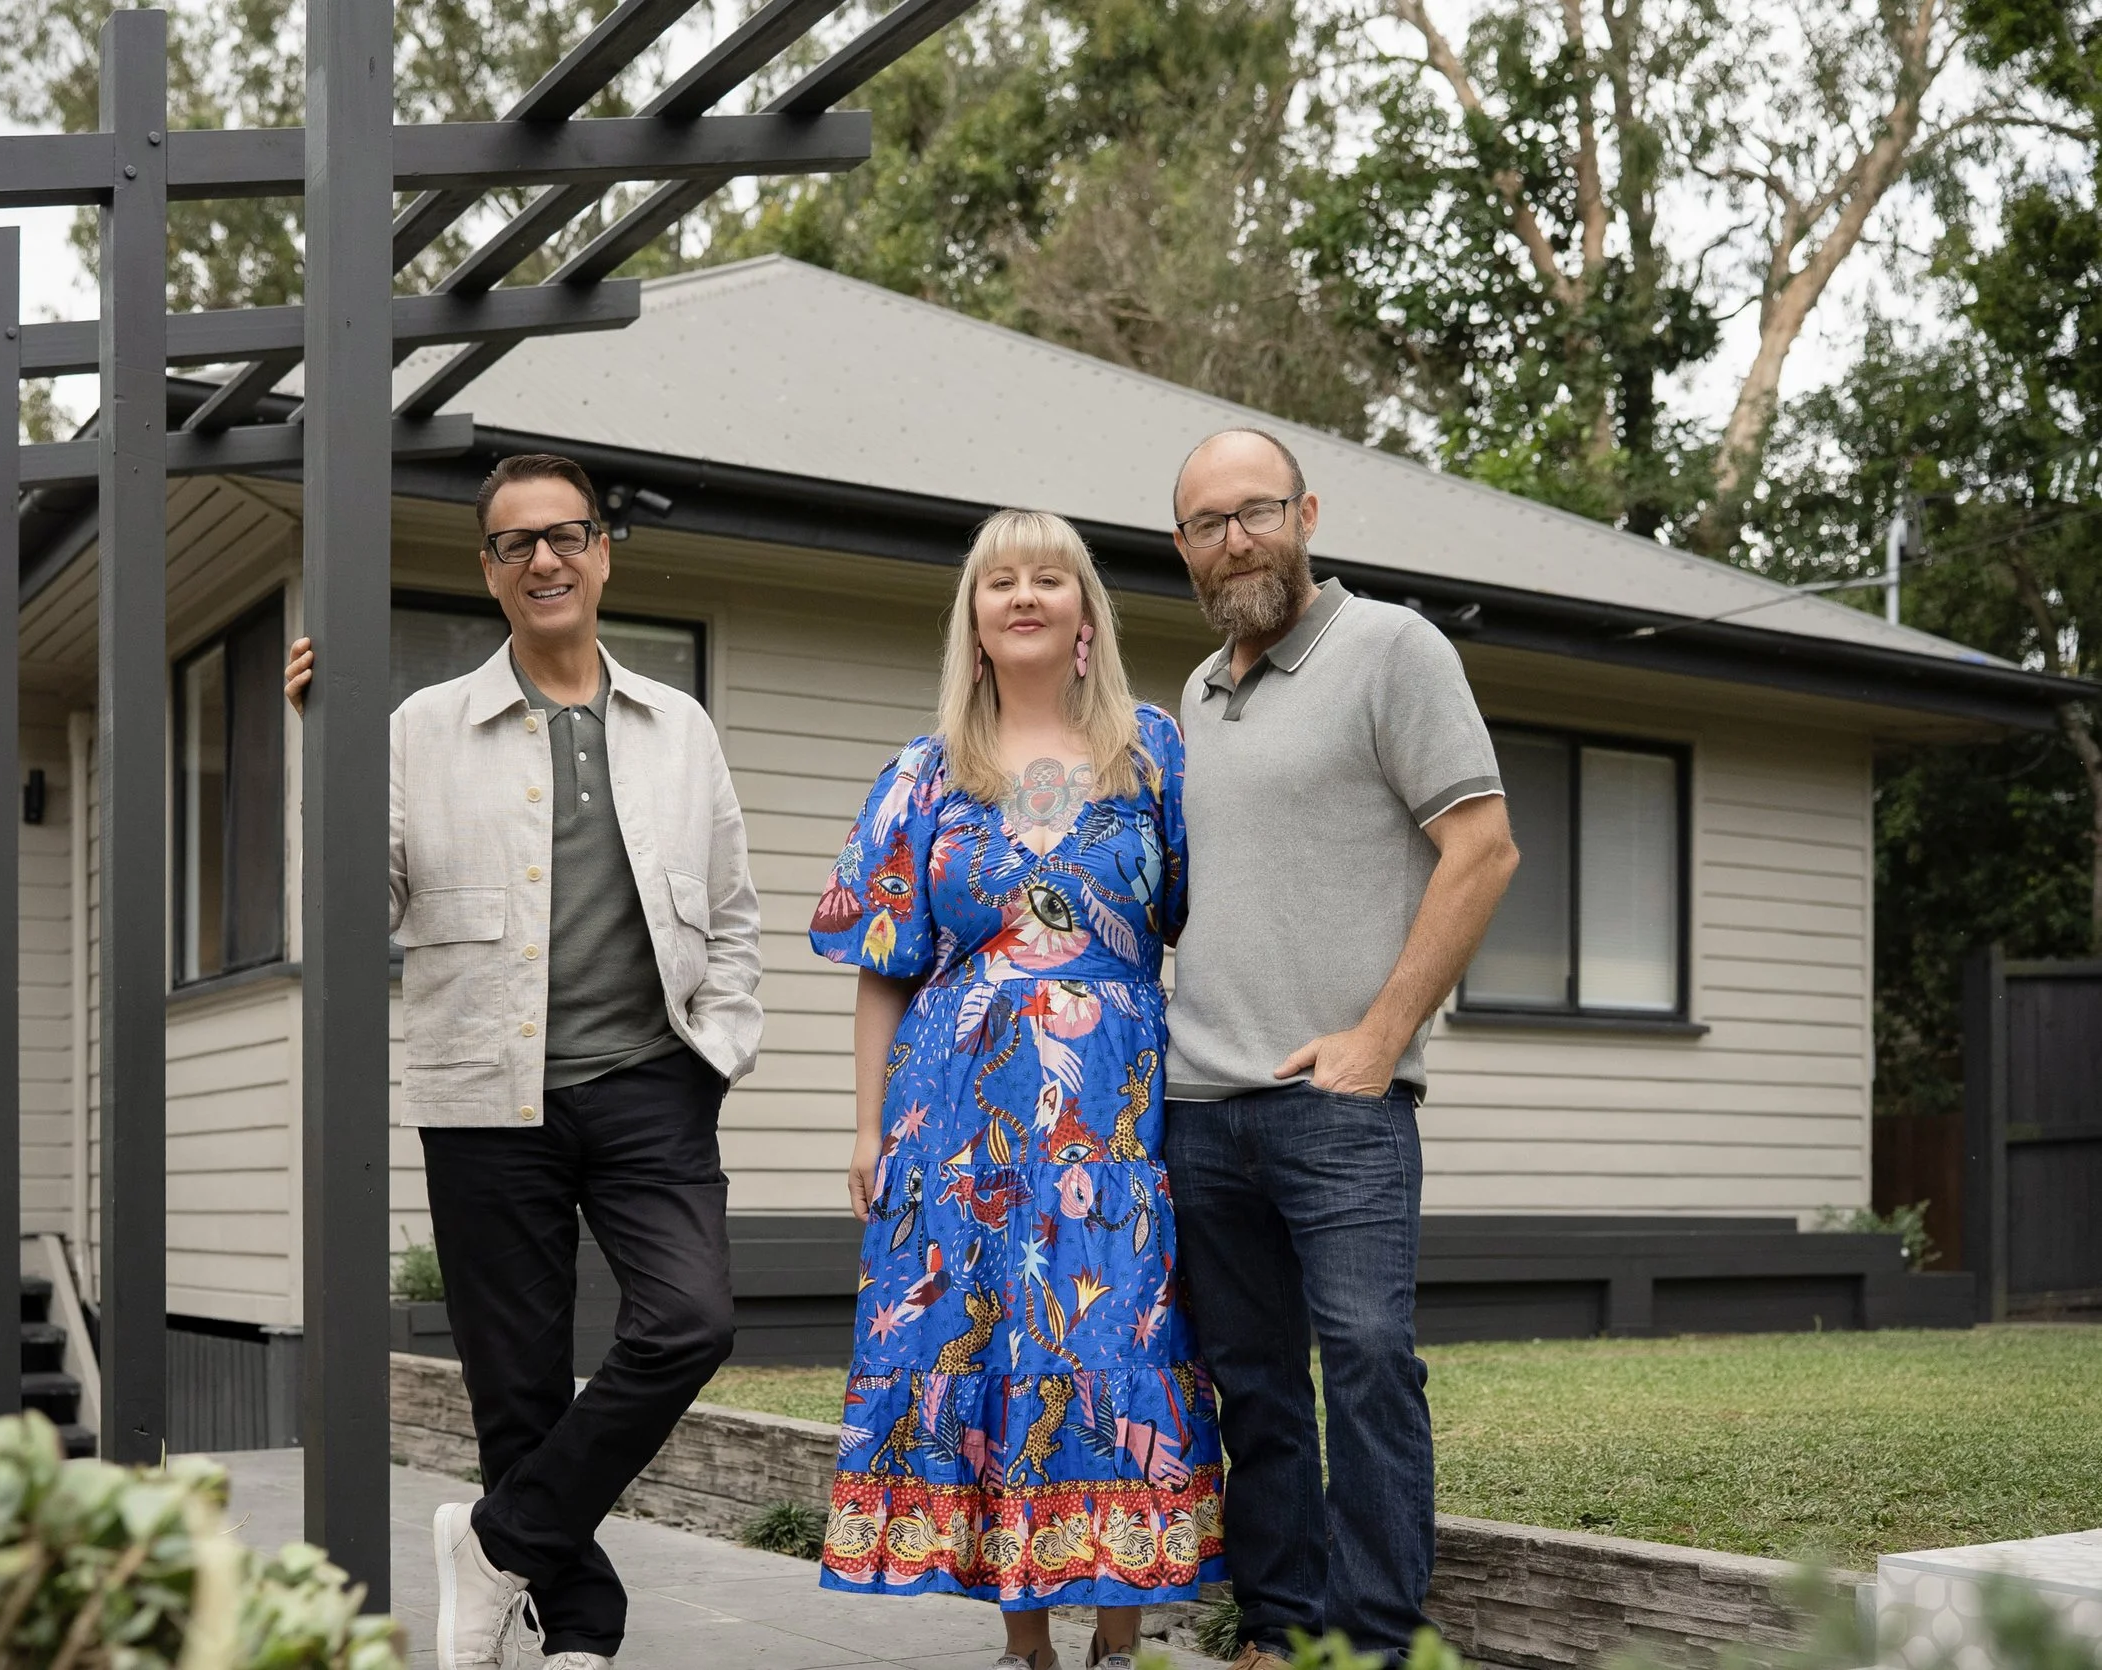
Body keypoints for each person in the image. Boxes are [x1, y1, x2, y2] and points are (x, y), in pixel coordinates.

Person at [284, 452, 762, 1670]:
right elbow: (354, 906)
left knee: (689, 1320)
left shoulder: (677, 725)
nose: (545, 558)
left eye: (567, 534)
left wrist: (721, 1045)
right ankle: (579, 1631)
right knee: (517, 1386)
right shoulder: (418, 728)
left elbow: (737, 907)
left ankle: (493, 1542)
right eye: (515, 543)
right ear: (488, 572)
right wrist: (320, 749)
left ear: (603, 551)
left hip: (654, 1073)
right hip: (484, 1089)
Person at [812, 509, 1225, 1670]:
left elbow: (1211, 918)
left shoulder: (1153, 752)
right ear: (975, 619)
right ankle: (1024, 1643)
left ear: (1086, 612)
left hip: (1119, 1107)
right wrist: (868, 1125)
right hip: (958, 1114)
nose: (1026, 595)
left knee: (1112, 1328)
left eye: (1051, 577)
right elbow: (887, 961)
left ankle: (1119, 1636)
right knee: (988, 1337)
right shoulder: (926, 770)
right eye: (1001, 582)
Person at [1159, 429, 1520, 1669]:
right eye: (1207, 524)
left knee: (1366, 1361)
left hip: (1341, 1104)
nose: (1235, 540)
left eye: (1254, 512)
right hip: (1197, 1106)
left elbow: (1483, 849)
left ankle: (1371, 1645)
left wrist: (1380, 1036)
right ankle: (1278, 1629)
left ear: (1306, 512)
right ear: (1183, 549)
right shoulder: (1190, 704)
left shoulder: (1392, 648)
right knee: (1251, 1383)